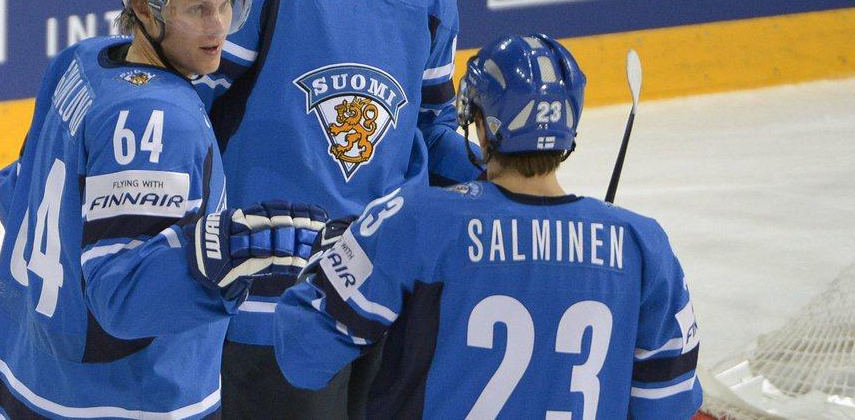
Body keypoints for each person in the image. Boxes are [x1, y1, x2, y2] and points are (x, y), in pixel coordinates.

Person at [0, 0, 326, 419]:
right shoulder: (156, 120)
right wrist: (220, 255)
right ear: (143, 4)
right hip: (122, 401)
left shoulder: (81, 62)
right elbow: (123, 297)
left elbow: (15, 189)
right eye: (197, 9)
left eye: (228, 4)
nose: (219, 27)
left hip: (24, 371)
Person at [193, 0, 483, 417]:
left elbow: (432, 130)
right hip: (275, 306)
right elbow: (188, 116)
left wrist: (505, 180)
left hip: (390, 294)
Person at [274, 34, 704, 419]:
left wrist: (330, 258)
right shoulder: (643, 246)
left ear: (482, 126)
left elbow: (303, 355)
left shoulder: (417, 220)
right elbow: (669, 404)